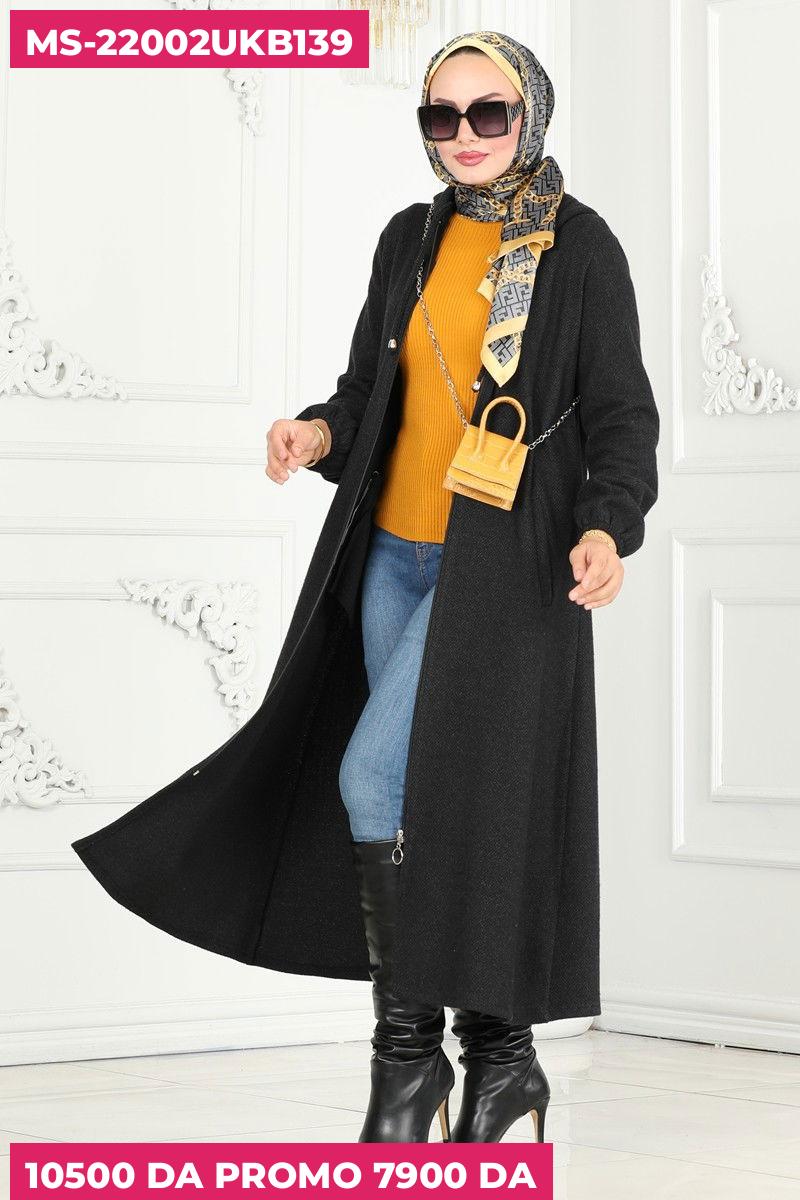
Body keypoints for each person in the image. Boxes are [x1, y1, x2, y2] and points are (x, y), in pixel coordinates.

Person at [264, 30, 658, 1143]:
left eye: (490, 112)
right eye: (442, 116)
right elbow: (370, 391)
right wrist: (317, 431)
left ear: (529, 113)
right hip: (393, 553)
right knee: (439, 805)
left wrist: (608, 525)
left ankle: (408, 1070)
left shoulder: (580, 246)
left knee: (373, 776)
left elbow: (621, 415)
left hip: (507, 566)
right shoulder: (411, 237)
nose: (466, 135)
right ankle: (497, 1068)